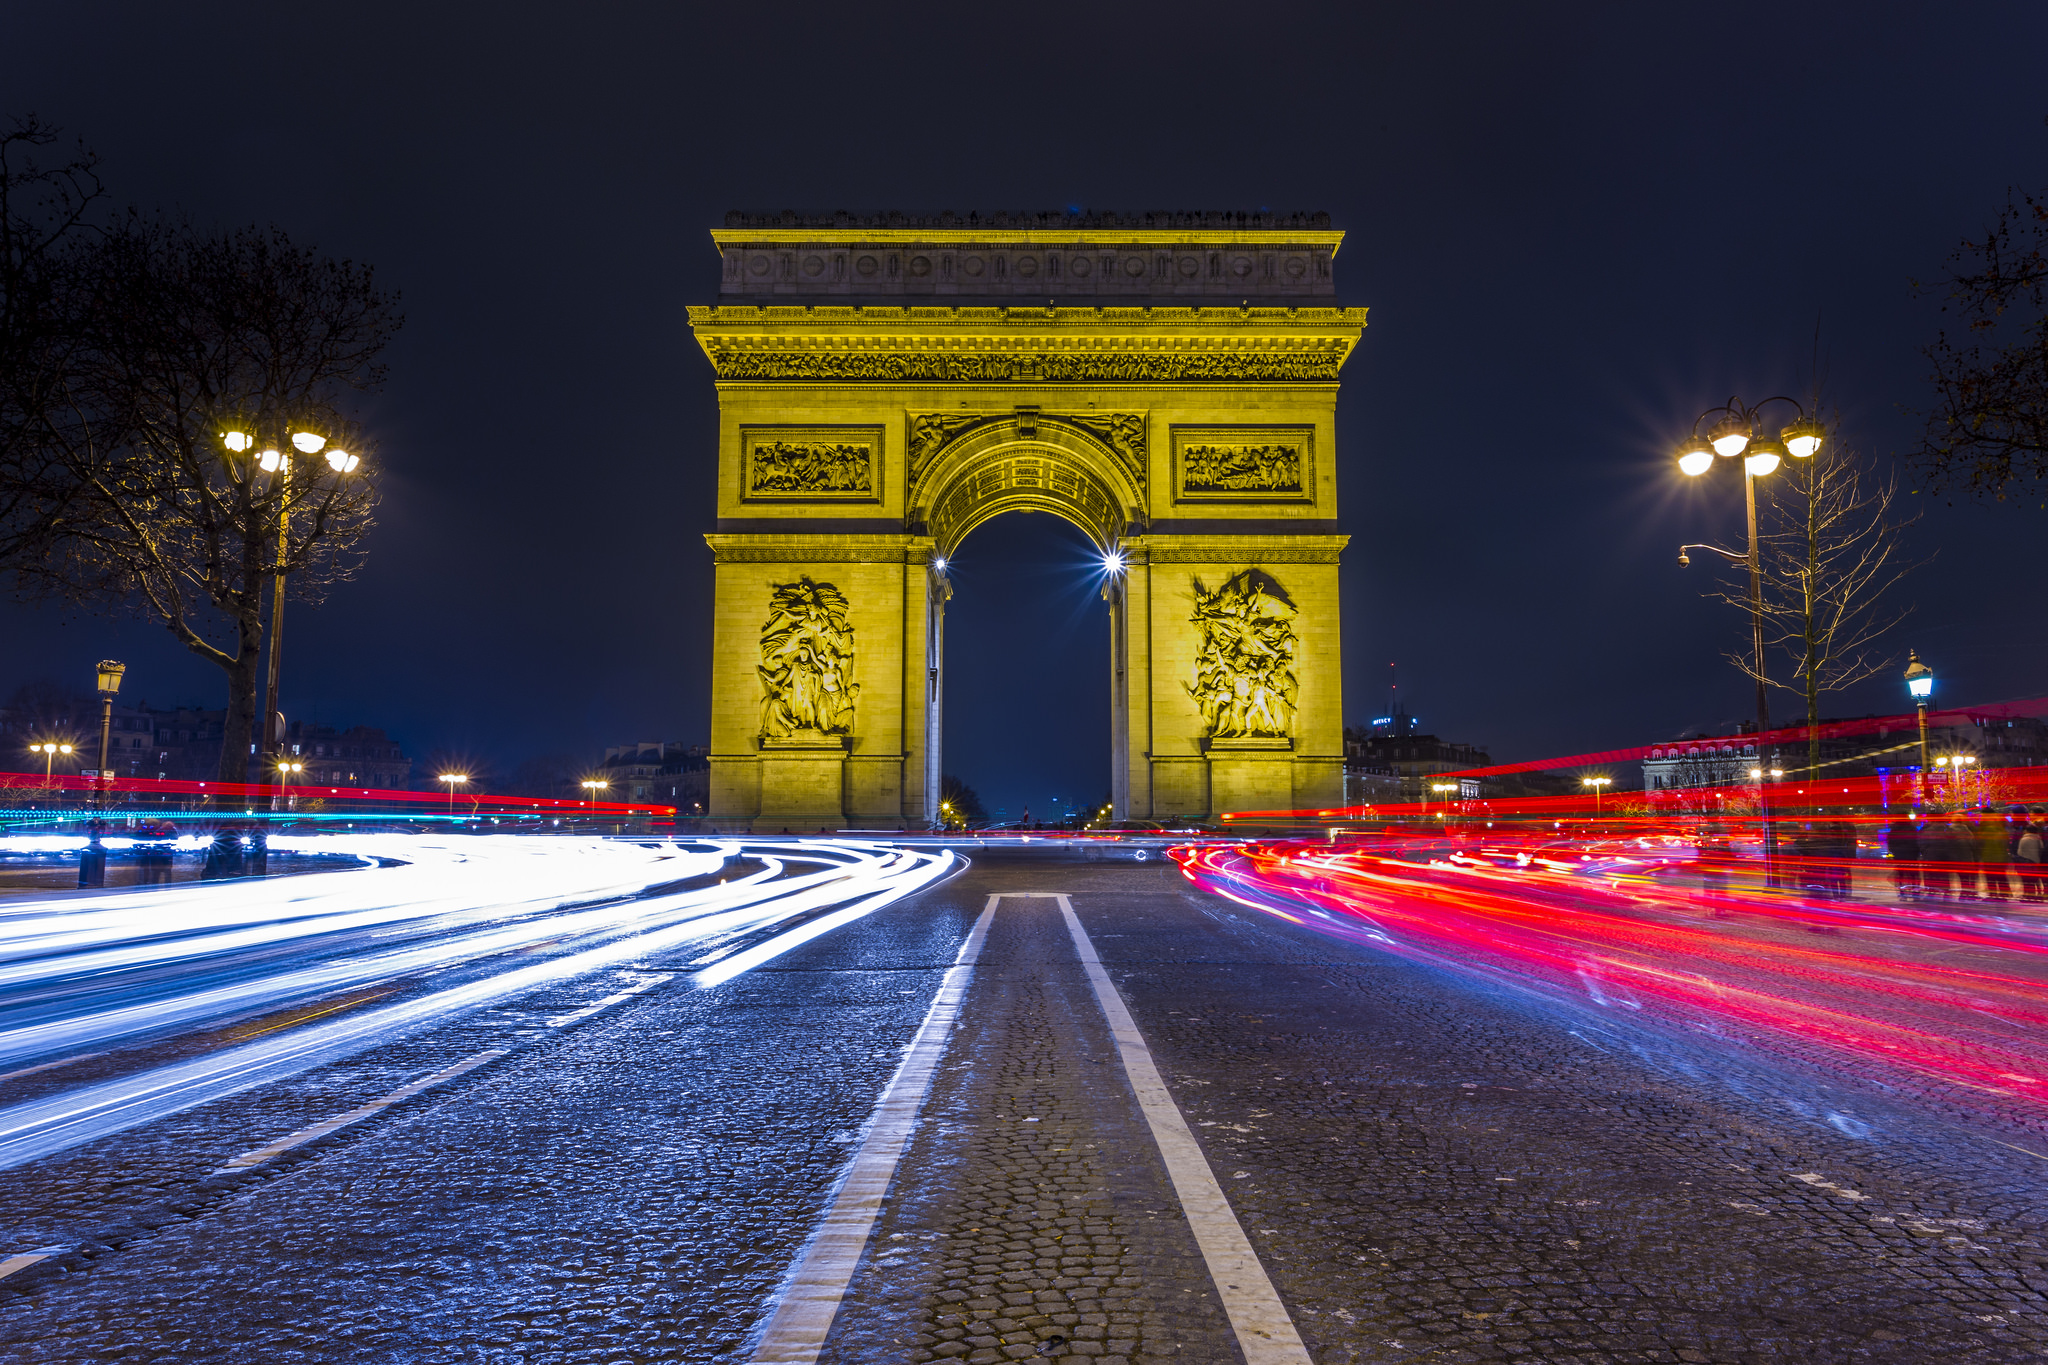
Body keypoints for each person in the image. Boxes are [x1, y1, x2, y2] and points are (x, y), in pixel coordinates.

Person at [1887, 811, 1920, 900]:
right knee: (1913, 875)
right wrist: (1917, 852)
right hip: (1911, 855)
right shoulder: (1912, 828)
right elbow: (1917, 841)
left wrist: (1894, 853)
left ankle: (1902, 893)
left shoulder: (1894, 829)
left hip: (1899, 855)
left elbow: (1891, 843)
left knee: (1901, 875)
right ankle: (1915, 893)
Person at [2017, 806, 2046, 905]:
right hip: (2038, 857)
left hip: (2040, 857)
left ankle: (2035, 895)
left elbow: (2020, 851)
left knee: (2034, 878)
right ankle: (2039, 895)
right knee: (2037, 878)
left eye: (2032, 813)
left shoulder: (2040, 826)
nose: (2030, 815)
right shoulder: (2037, 827)